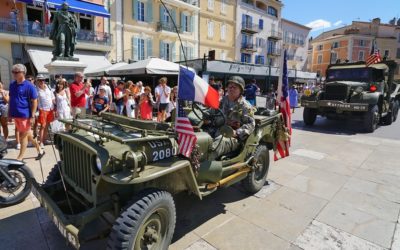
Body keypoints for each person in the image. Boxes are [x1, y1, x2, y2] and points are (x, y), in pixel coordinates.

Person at [210, 76, 255, 159]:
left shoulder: (245, 106)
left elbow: (251, 124)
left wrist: (237, 132)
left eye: (235, 87)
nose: (231, 89)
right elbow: (212, 114)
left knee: (217, 145)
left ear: (240, 90)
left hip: (232, 137)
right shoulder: (221, 101)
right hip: (216, 130)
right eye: (230, 86)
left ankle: (206, 165)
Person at [8, 64, 44, 161]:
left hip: (25, 115)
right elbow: (11, 99)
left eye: (16, 72)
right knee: (27, 133)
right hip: (16, 114)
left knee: (23, 135)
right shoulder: (12, 84)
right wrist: (9, 113)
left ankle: (20, 158)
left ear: (23, 73)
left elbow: (35, 101)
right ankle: (40, 149)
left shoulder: (29, 86)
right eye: (13, 72)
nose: (14, 74)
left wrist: (32, 116)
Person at [36, 74, 55, 147]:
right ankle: (41, 142)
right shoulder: (36, 90)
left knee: (47, 125)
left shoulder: (48, 88)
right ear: (37, 81)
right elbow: (36, 101)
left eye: (43, 80)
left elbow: (52, 98)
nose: (42, 81)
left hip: (50, 109)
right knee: (42, 126)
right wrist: (37, 111)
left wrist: (55, 107)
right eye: (40, 80)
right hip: (43, 110)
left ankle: (44, 139)